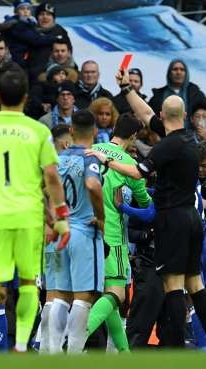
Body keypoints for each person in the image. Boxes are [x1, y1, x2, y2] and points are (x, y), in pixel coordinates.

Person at [86, 69, 206, 348]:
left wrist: (106, 160)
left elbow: (138, 173)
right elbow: (145, 114)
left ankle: (174, 349)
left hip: (172, 222)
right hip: (191, 219)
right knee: (195, 284)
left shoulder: (166, 147)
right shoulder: (188, 139)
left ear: (164, 118)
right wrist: (127, 88)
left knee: (173, 285)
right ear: (185, 116)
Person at [0, 70, 69, 352]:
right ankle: (21, 343)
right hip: (28, 217)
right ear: (25, 97)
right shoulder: (39, 131)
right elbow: (52, 178)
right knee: (27, 284)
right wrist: (60, 219)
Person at [83, 113, 151, 352]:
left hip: (88, 235)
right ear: (133, 137)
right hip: (113, 237)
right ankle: (74, 338)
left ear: (114, 129)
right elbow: (146, 204)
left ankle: (124, 354)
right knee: (118, 295)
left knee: (108, 296)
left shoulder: (91, 150)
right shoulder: (130, 166)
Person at [45, 110, 105, 354]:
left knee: (58, 296)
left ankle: (48, 352)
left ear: (71, 131)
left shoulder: (57, 158)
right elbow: (92, 184)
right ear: (94, 132)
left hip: (58, 232)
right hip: (82, 231)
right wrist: (101, 216)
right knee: (83, 297)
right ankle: (73, 357)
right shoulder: (90, 157)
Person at [148, 59, 206, 128]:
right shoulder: (159, 96)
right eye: (175, 69)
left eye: (182, 70)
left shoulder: (196, 94)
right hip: (165, 137)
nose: (178, 72)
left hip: (191, 137)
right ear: (169, 73)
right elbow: (149, 117)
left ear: (186, 73)